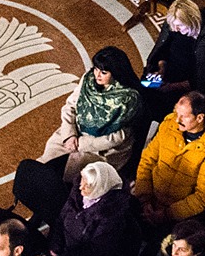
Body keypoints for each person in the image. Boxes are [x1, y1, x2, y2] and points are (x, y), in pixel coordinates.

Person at [43, 46, 143, 179]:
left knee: (76, 176)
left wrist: (81, 143)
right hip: (75, 133)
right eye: (96, 69)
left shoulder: (128, 99)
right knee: (46, 162)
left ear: (116, 72)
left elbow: (119, 136)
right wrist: (69, 135)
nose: (97, 75)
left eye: (103, 72)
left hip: (103, 149)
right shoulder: (88, 80)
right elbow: (71, 106)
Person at [134, 92, 205, 227]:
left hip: (180, 218)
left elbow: (203, 196)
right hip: (149, 201)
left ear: (199, 118)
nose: (177, 120)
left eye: (183, 116)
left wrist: (167, 215)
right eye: (176, 113)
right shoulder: (168, 125)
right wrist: (145, 199)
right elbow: (147, 160)